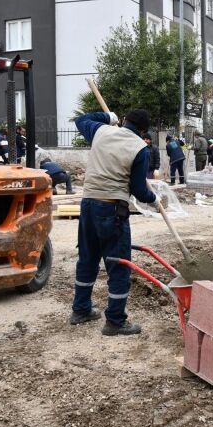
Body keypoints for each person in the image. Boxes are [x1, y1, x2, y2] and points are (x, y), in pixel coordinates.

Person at [70, 108, 158, 336]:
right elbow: (139, 190)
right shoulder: (140, 148)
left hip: (88, 204)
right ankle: (115, 322)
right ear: (142, 130)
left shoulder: (101, 131)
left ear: (124, 121)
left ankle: (81, 310)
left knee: (87, 258)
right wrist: (154, 198)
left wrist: (107, 116)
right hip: (112, 209)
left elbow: (80, 120)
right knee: (118, 265)